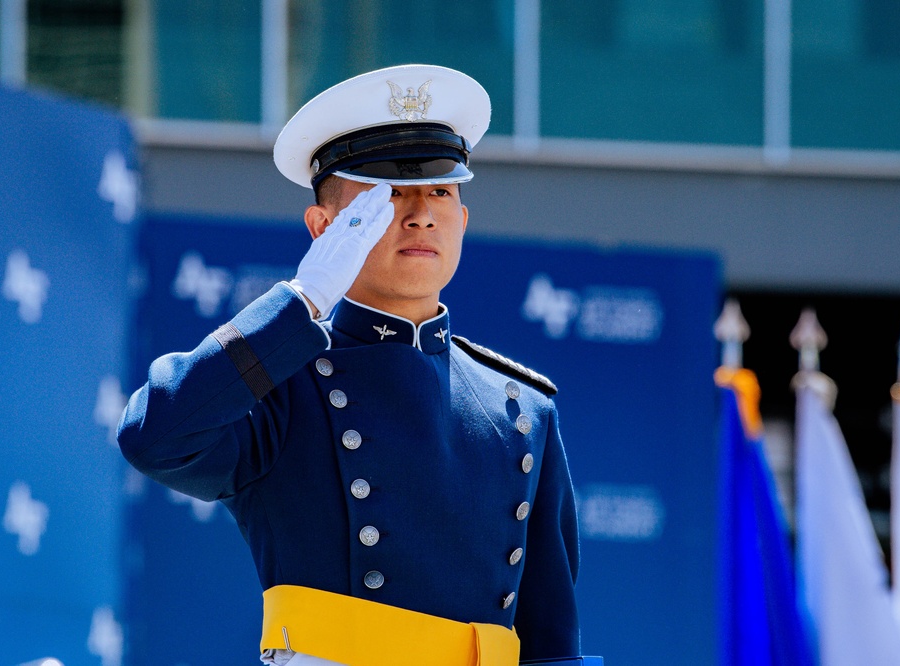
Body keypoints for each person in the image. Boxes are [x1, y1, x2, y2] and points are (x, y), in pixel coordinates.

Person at [117, 64, 580, 666]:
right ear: (324, 227)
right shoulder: (283, 384)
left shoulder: (522, 408)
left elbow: (551, 638)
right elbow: (155, 436)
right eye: (384, 195)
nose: (420, 214)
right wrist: (300, 302)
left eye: (441, 190)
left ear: (462, 220)